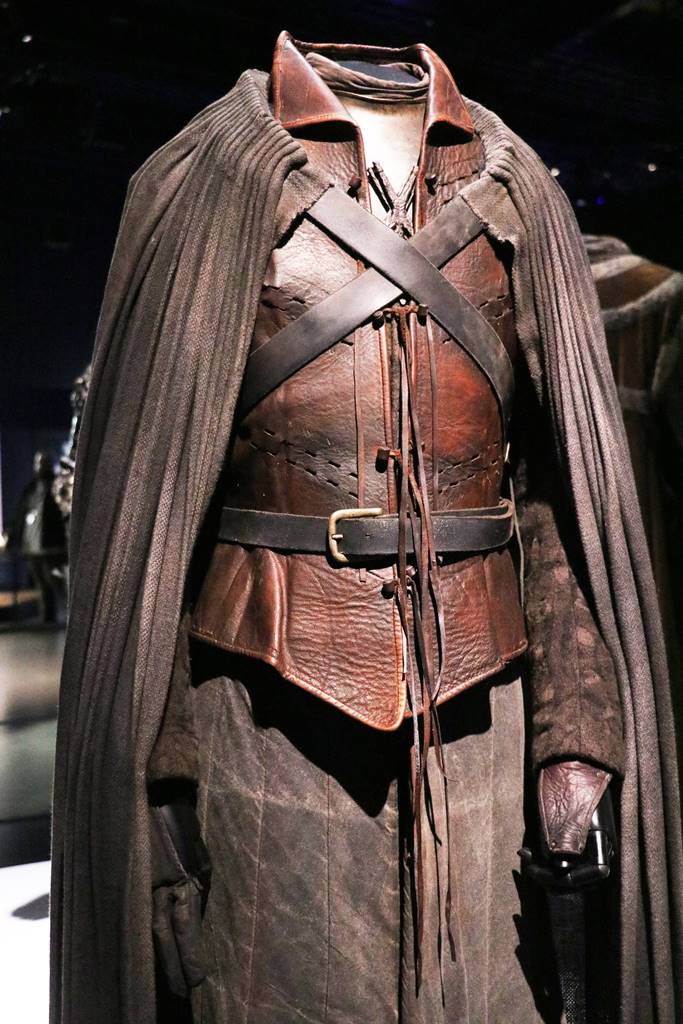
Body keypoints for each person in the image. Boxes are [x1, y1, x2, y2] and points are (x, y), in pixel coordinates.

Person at [50, 32, 683, 1024]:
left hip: (483, 729)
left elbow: (556, 495)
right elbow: (156, 526)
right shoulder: (203, 176)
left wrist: (575, 734)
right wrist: (157, 781)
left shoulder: (516, 191)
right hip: (267, 735)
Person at [5, 451, 66, 624]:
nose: (40, 466)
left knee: (54, 583)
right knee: (41, 584)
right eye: (38, 463)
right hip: (33, 546)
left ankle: (59, 618)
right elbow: (20, 514)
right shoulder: (31, 489)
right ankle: (47, 619)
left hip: (51, 547)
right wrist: (13, 537)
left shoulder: (56, 486)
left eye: (43, 463)